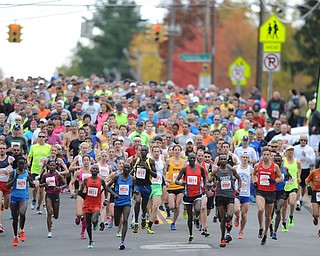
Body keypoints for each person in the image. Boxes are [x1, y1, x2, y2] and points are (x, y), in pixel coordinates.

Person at [252, 146, 283, 245]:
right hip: (260, 191)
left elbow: (280, 178)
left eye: (267, 155)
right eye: (264, 154)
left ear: (270, 156)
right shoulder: (258, 165)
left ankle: (265, 234)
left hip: (270, 192)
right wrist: (255, 182)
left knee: (268, 216)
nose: (265, 156)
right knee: (261, 209)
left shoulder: (275, 166)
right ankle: (260, 227)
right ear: (262, 155)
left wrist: (274, 181)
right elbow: (253, 174)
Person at [175, 152, 206, 243]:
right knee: (189, 216)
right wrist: (181, 183)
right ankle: (191, 234)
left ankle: (196, 218)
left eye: (193, 158)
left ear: (195, 158)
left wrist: (204, 185)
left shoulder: (200, 168)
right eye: (190, 158)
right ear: (188, 159)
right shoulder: (185, 169)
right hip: (188, 195)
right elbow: (177, 180)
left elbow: (205, 177)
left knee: (197, 209)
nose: (192, 160)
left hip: (197, 193)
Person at [211, 154, 241, 247]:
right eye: (221, 159)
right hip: (220, 196)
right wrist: (212, 186)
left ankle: (229, 223)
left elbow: (239, 178)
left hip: (229, 195)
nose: (223, 160)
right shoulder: (216, 171)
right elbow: (208, 180)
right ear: (219, 161)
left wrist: (238, 189)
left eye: (225, 159)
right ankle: (222, 238)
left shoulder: (231, 169)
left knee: (229, 214)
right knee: (222, 219)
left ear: (227, 160)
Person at [6, 156, 35, 246]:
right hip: (14, 197)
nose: (21, 165)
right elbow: (7, 186)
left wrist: (30, 181)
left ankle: (21, 230)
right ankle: (15, 236)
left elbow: (33, 185)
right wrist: (16, 178)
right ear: (17, 164)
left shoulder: (27, 173)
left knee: (22, 213)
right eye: (19, 164)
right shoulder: (13, 173)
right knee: (15, 219)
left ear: (25, 164)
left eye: (23, 164)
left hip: (23, 197)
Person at [78, 164, 108, 249]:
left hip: (96, 203)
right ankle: (90, 240)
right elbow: (80, 191)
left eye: (96, 169)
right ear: (91, 171)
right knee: (88, 224)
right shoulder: (86, 180)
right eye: (93, 169)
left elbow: (106, 189)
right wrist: (81, 193)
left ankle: (95, 223)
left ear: (98, 171)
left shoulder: (101, 180)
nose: (94, 170)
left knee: (93, 219)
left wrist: (105, 199)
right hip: (87, 203)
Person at [131, 145, 157, 233]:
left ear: (147, 152)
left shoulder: (151, 161)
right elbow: (132, 171)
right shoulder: (136, 160)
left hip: (147, 186)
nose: (143, 152)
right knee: (137, 201)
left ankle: (143, 217)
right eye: (142, 150)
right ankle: (136, 223)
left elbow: (155, 175)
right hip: (138, 185)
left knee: (144, 205)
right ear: (139, 151)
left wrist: (148, 169)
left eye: (145, 151)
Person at [107, 163, 133, 250]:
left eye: (128, 168)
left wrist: (135, 193)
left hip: (127, 202)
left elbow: (134, 188)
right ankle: (116, 223)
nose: (126, 169)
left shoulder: (132, 179)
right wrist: (114, 194)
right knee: (117, 222)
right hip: (118, 202)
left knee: (125, 220)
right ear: (122, 169)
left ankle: (122, 241)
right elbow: (107, 187)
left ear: (130, 169)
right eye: (124, 168)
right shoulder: (117, 177)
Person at [39, 159, 66, 238]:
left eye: (53, 165)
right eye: (50, 165)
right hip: (48, 195)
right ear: (48, 166)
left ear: (56, 167)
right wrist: (44, 184)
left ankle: (51, 219)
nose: (52, 167)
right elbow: (40, 184)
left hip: (56, 195)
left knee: (56, 215)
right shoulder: (45, 175)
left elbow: (65, 184)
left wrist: (60, 187)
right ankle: (49, 231)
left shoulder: (58, 175)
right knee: (49, 212)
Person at [27, 131, 52, 214]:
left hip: (44, 171)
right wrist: (28, 162)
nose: (41, 138)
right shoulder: (33, 147)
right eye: (40, 136)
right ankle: (34, 198)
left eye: (43, 137)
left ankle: (38, 206)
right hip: (35, 169)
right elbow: (29, 156)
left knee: (41, 191)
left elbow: (50, 158)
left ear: (45, 138)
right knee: (35, 186)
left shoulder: (49, 147)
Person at [165, 144, 186, 229]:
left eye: (178, 150)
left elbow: (186, 173)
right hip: (171, 186)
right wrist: (166, 180)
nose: (177, 151)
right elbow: (165, 172)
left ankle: (173, 222)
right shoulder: (168, 161)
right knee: (172, 206)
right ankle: (169, 209)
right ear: (173, 151)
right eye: (175, 150)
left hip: (180, 186)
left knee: (177, 206)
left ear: (180, 151)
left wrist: (184, 181)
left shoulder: (184, 162)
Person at [270, 153, 290, 240]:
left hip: (281, 192)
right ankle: (270, 227)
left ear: (282, 161)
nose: (278, 162)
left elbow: (289, 177)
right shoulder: (271, 169)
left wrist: (288, 181)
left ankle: (275, 232)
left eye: (279, 161)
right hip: (271, 192)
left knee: (278, 210)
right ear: (273, 161)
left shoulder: (285, 169)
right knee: (270, 212)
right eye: (276, 161)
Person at [281, 145, 301, 231]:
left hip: (293, 185)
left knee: (292, 202)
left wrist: (298, 177)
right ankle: (284, 222)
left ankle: (291, 216)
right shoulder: (283, 161)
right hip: (285, 186)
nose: (290, 152)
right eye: (289, 150)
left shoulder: (297, 161)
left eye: (292, 150)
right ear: (286, 152)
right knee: (284, 206)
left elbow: (299, 168)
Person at [294, 135, 315, 211]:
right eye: (301, 140)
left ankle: (301, 198)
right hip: (297, 169)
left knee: (303, 187)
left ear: (306, 141)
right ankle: (298, 201)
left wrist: (306, 156)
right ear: (299, 140)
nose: (303, 141)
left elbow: (313, 161)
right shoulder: (295, 148)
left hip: (306, 169)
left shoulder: (309, 149)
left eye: (304, 140)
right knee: (298, 185)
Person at [234, 153, 253, 239]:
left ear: (248, 159)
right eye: (243, 157)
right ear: (241, 158)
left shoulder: (251, 169)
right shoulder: (236, 168)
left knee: (244, 215)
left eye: (246, 157)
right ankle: (237, 216)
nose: (245, 159)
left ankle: (241, 231)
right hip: (237, 193)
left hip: (246, 194)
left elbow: (254, 179)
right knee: (237, 209)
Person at [147, 145, 165, 234]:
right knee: (147, 207)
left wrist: (166, 181)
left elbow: (163, 173)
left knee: (155, 206)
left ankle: (150, 226)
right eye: (155, 151)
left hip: (157, 185)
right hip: (149, 184)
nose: (157, 153)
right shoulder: (149, 160)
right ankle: (146, 217)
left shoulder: (162, 161)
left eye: (158, 151)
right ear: (152, 152)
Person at [0, 143, 14, 233]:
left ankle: (2, 205)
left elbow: (15, 170)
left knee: (6, 206)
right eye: (0, 148)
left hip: (7, 184)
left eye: (3, 148)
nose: (2, 150)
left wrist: (8, 170)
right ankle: (0, 225)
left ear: (6, 150)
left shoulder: (10, 159)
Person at [305, 160, 320, 237]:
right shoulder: (314, 172)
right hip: (316, 193)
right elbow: (307, 180)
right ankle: (315, 218)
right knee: (316, 214)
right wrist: (308, 187)